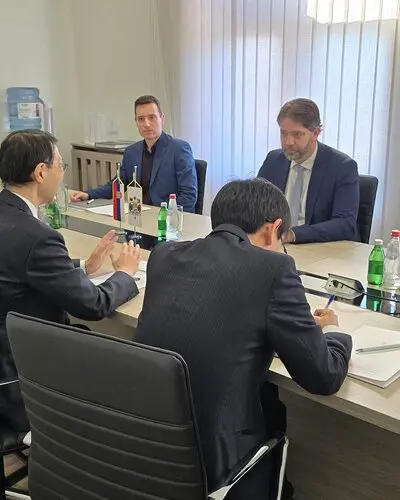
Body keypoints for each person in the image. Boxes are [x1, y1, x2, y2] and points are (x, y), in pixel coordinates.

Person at [135, 178, 352, 499]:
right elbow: (324, 376)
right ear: (273, 229)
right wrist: (333, 331)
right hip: (215, 465)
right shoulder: (274, 268)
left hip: (144, 447)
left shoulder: (164, 255)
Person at [0, 129, 141, 434]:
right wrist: (125, 273)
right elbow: (93, 305)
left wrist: (82, 267)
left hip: (7, 355)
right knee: (128, 360)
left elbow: (18, 269)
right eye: (61, 165)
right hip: (25, 375)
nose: (62, 174)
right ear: (41, 172)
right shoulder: (38, 237)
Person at [71, 95, 198, 212]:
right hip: (139, 217)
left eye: (152, 117)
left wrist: (164, 217)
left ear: (162, 119)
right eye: (141, 119)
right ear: (136, 122)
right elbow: (117, 185)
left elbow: (189, 196)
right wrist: (88, 194)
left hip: (168, 220)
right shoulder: (132, 152)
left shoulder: (179, 149)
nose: (146, 124)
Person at [258, 98, 360, 243]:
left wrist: (292, 234)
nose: (288, 142)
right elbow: (254, 207)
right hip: (276, 246)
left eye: (297, 134)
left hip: (321, 248)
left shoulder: (342, 167)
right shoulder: (273, 161)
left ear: (315, 133)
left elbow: (345, 224)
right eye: (283, 133)